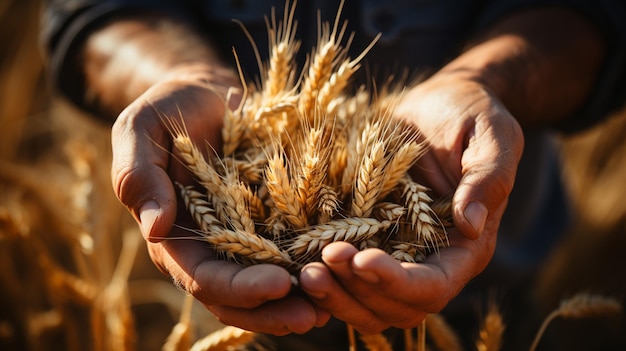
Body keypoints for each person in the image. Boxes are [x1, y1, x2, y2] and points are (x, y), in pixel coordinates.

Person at [41, 0, 626, 349]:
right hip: (214, 310)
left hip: (501, 288)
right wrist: (176, 75)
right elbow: (82, 9)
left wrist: (487, 79)